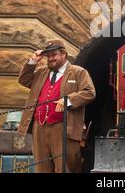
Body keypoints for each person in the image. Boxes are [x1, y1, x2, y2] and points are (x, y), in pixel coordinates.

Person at [17, 39, 96, 173]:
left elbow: (90, 92)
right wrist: (33, 61)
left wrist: (67, 100)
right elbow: (23, 80)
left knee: (65, 167)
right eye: (48, 56)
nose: (50, 59)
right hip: (39, 126)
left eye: (54, 55)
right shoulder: (41, 72)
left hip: (63, 127)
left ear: (63, 54)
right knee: (42, 168)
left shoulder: (78, 72)